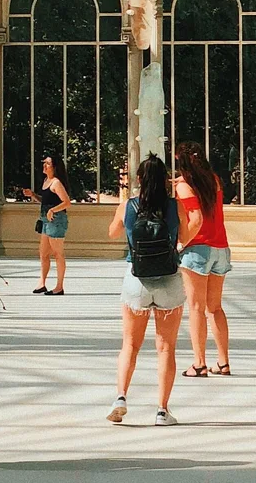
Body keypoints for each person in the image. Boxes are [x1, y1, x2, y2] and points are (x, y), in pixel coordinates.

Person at [107, 153, 190, 427]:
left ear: (140, 180)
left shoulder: (128, 206)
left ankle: (120, 396)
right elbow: (186, 237)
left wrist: (123, 212)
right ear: (166, 180)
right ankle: (162, 410)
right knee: (166, 348)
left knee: (130, 345)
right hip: (168, 280)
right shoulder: (174, 207)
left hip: (136, 280)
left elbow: (112, 233)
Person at [173, 142, 232, 377]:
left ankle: (199, 363)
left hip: (198, 249)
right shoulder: (214, 179)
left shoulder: (185, 186)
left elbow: (195, 219)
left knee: (196, 308)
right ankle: (223, 362)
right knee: (215, 308)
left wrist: (181, 244)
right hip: (221, 247)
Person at [21, 153, 72, 294]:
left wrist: (52, 210)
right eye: (44, 163)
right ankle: (41, 283)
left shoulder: (56, 182)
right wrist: (33, 195)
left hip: (56, 221)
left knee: (58, 254)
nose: (44, 165)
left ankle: (59, 286)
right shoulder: (46, 181)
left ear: (54, 167)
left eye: (48, 163)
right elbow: (46, 200)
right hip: (45, 220)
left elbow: (66, 202)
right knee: (43, 253)